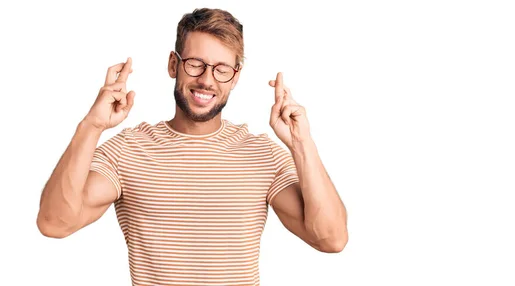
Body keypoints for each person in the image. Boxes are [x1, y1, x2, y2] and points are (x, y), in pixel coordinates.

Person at [36, 7, 348, 286]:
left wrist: (301, 143)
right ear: (174, 64)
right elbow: (54, 224)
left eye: (222, 69)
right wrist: (91, 126)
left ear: (235, 77)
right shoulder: (127, 152)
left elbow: (331, 239)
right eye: (195, 64)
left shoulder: (263, 156)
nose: (207, 80)